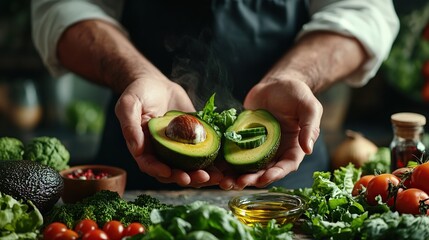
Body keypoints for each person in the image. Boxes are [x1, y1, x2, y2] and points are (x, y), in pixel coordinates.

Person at [31, 0, 399, 190]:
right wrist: (138, 74)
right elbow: (61, 7)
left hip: (287, 177)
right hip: (141, 161)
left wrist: (294, 75)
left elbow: (364, 10)